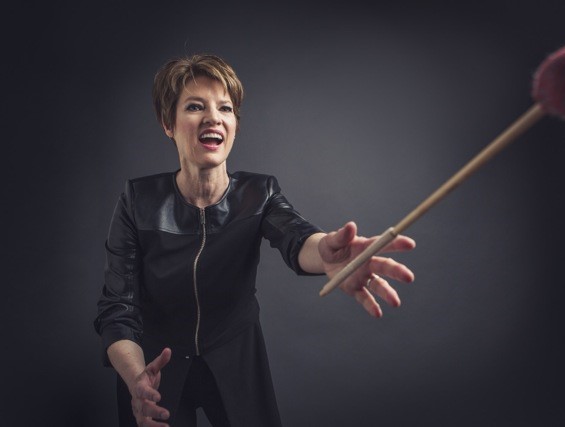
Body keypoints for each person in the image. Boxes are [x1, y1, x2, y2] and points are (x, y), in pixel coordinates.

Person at [94, 54, 416, 427]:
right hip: (153, 367)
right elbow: (117, 309)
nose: (213, 118)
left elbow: (298, 238)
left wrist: (329, 253)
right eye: (195, 106)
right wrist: (135, 378)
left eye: (225, 108)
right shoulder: (137, 200)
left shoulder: (259, 192)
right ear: (168, 123)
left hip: (235, 358)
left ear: (234, 124)